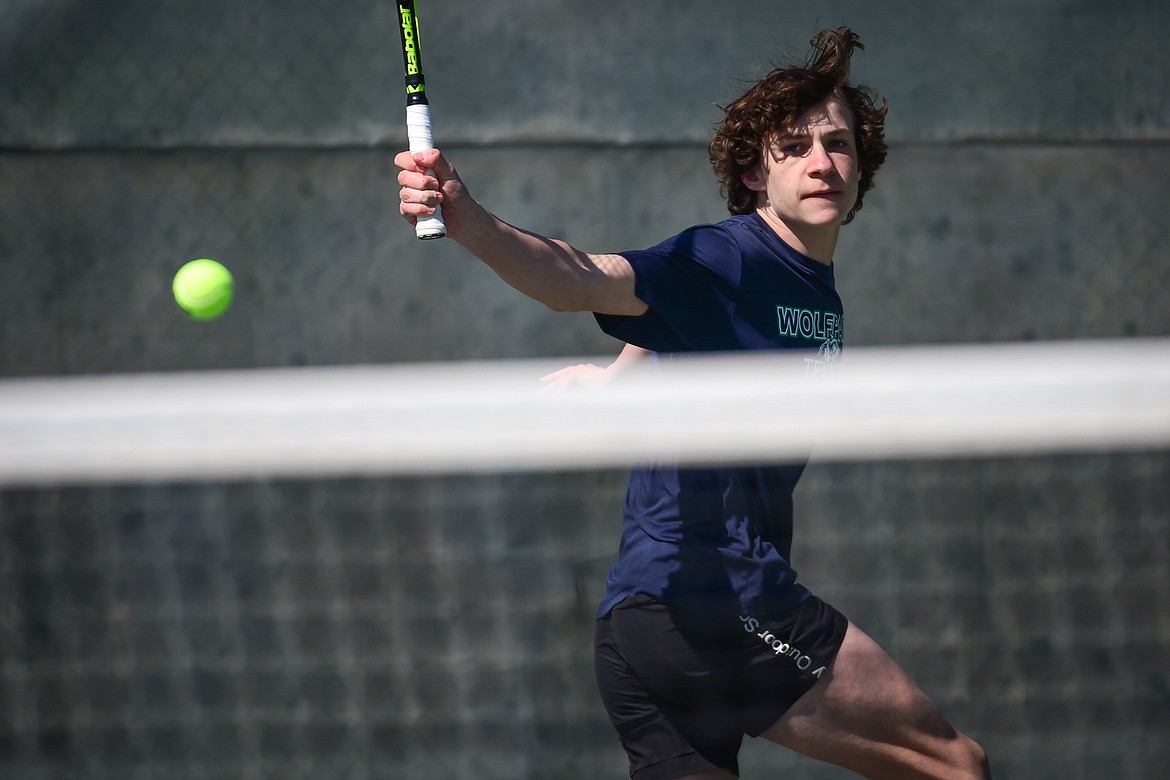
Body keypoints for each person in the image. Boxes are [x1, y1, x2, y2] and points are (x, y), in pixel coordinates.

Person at [396, 27, 991, 780]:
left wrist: (616, 377)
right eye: (795, 147)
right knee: (956, 765)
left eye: (838, 144)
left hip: (635, 630)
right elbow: (583, 278)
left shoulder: (807, 286)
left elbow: (676, 327)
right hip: (719, 598)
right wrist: (467, 217)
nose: (821, 162)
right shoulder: (731, 257)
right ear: (753, 172)